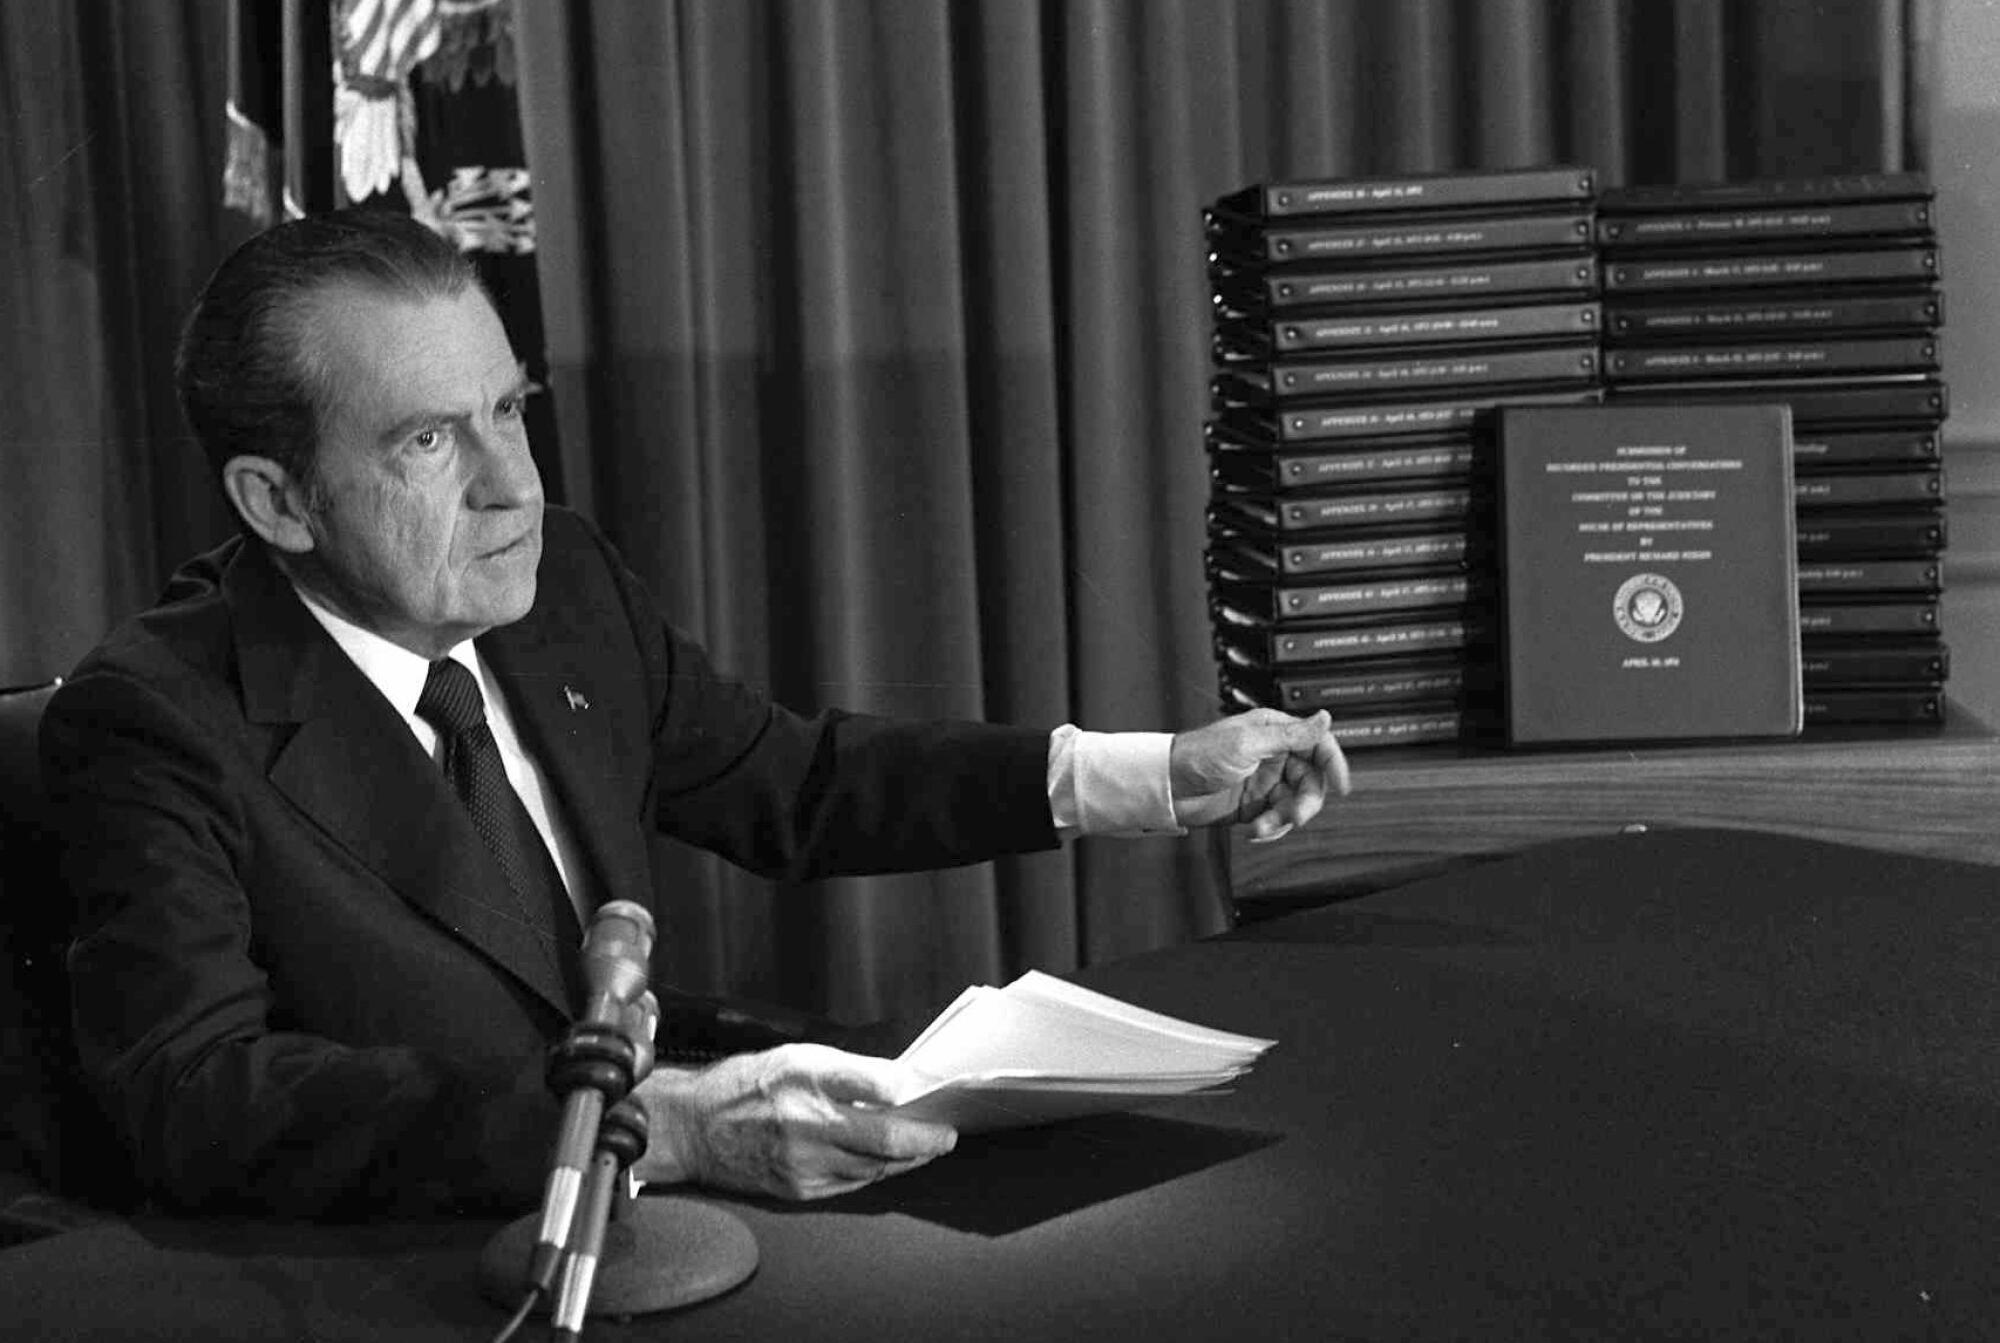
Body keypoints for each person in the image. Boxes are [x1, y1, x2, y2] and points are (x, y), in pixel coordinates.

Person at [40, 209, 1348, 1218]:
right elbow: (202, 1100)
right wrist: (651, 1124)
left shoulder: (567, 591)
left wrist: (1164, 773)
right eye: (431, 443)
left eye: (509, 409)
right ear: (277, 502)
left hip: (675, 1218)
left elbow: (798, 783)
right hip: (411, 1270)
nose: (516, 486)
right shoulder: (156, 721)